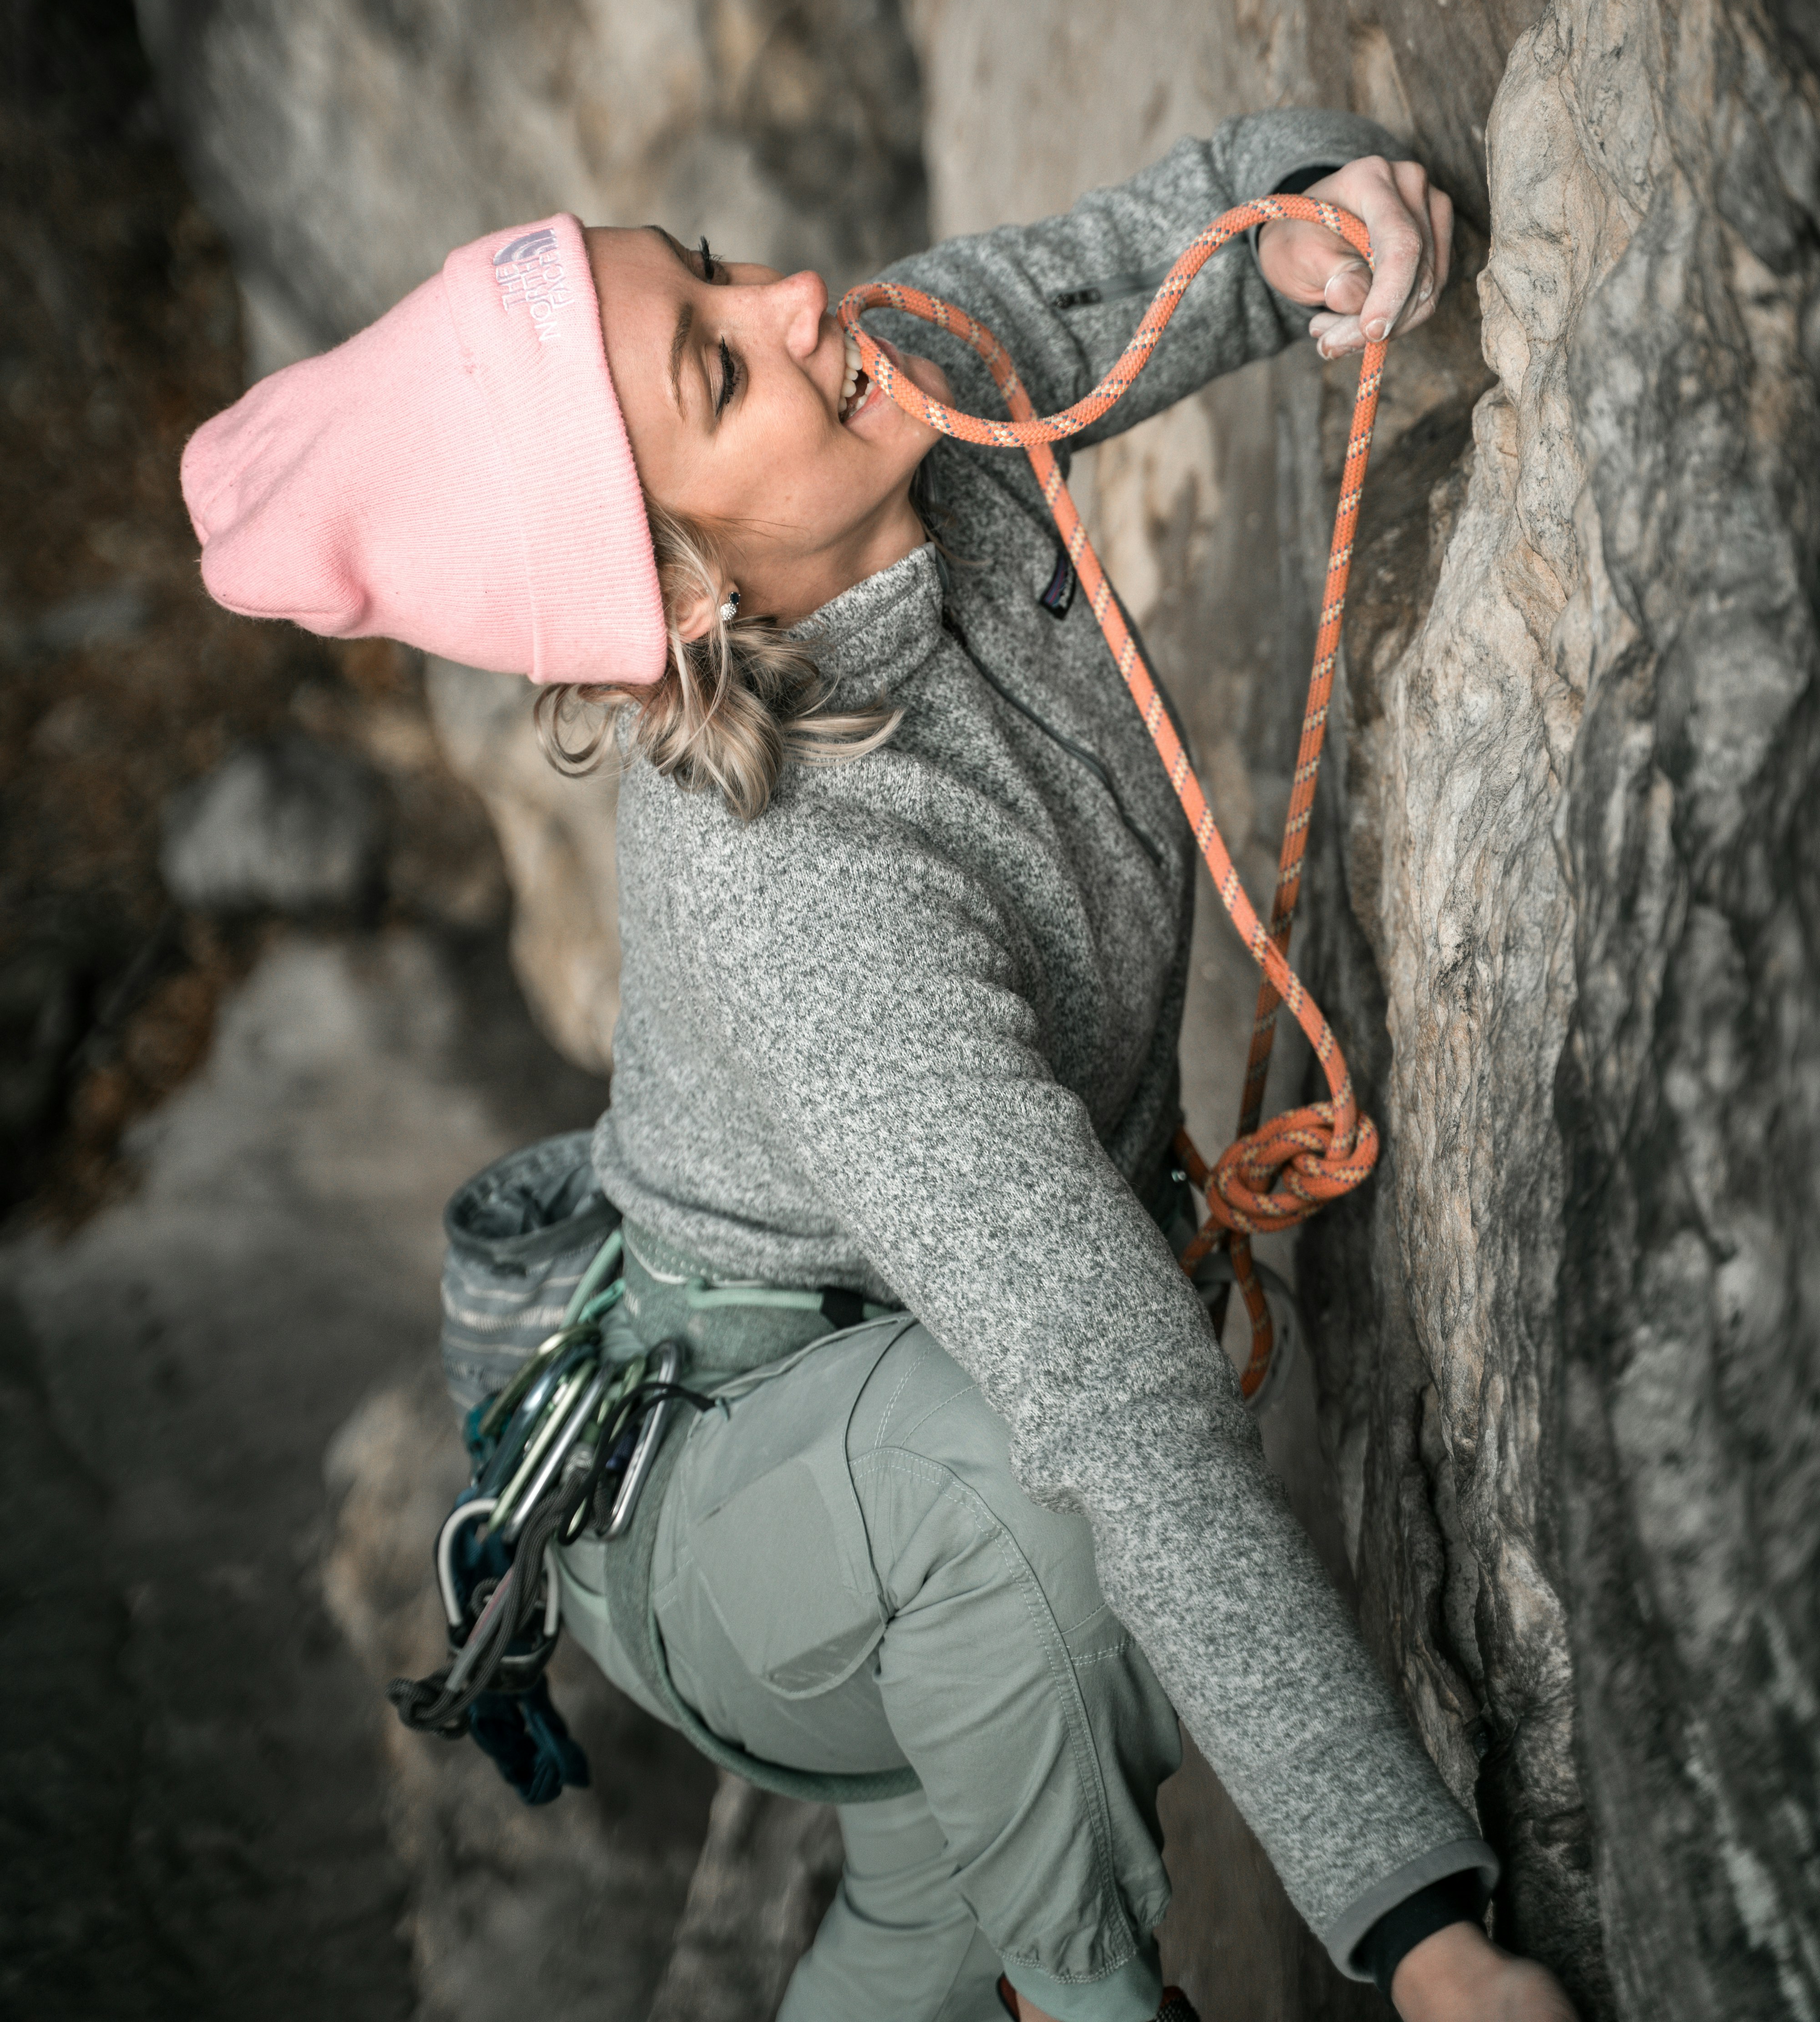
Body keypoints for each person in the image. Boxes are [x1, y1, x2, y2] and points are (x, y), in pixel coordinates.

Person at [181, 112, 1576, 2022]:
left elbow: (1179, 237)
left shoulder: (902, 394)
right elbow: (1113, 1414)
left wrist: (1324, 218)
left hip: (876, 1436)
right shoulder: (810, 901)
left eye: (711, 266)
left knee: (919, 1918)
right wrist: (1425, 1941)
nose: (795, 301)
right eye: (713, 364)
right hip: (738, 1509)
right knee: (1021, 1510)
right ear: (674, 596)